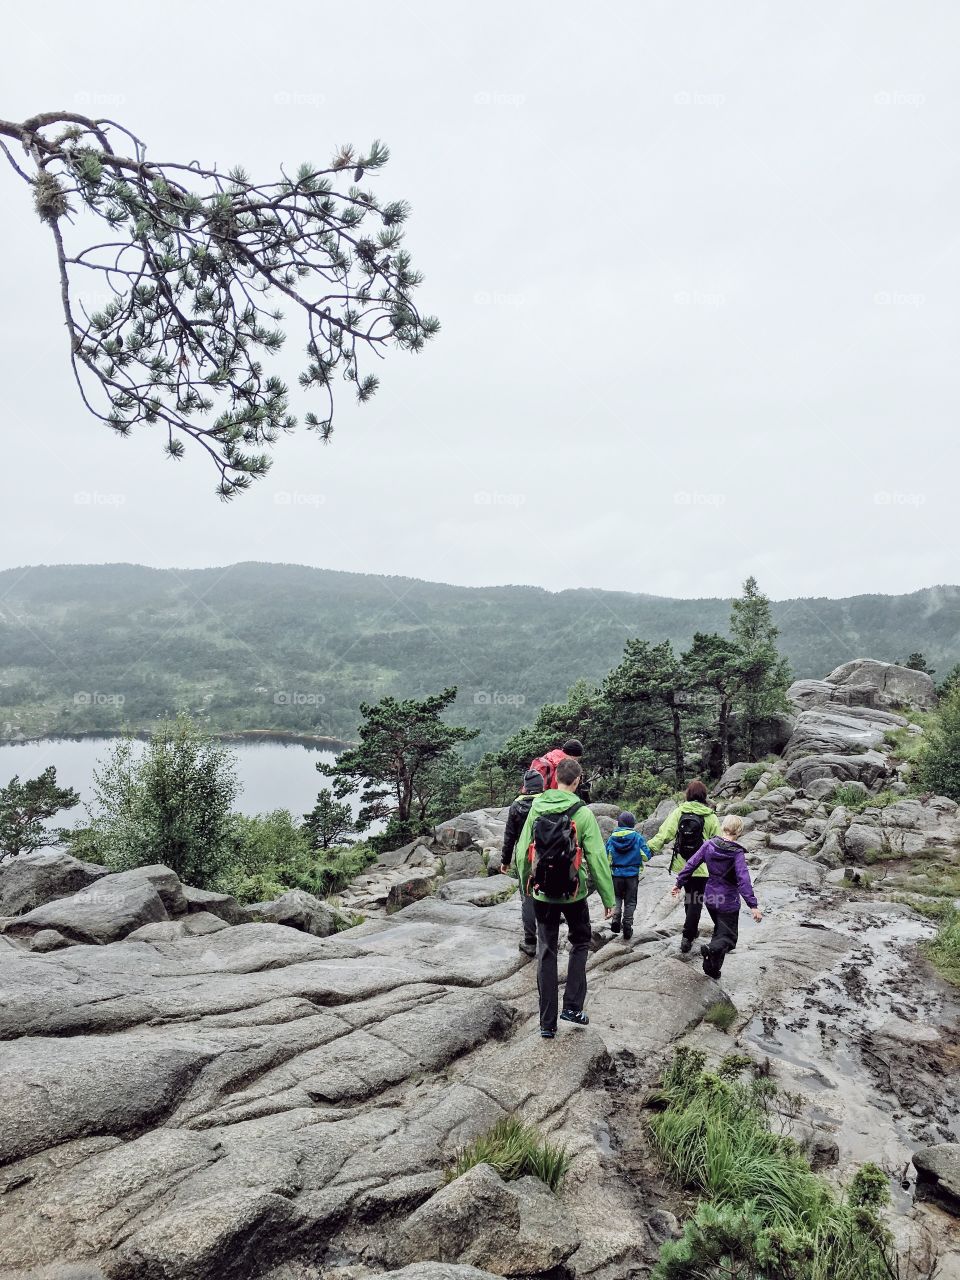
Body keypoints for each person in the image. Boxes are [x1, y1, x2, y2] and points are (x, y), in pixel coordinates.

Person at [513, 757, 614, 1038]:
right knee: (580, 942)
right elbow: (596, 858)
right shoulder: (582, 814)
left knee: (546, 951)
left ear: (555, 778)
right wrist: (608, 898)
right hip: (574, 894)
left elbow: (523, 852)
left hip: (542, 894)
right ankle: (571, 1006)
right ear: (578, 781)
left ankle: (547, 1024)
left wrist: (526, 885)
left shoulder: (536, 807)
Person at [671, 813, 762, 978]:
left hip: (711, 898)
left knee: (720, 933)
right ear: (739, 831)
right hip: (728, 902)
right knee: (729, 938)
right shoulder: (737, 853)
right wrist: (753, 905)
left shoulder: (709, 845)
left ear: (723, 827)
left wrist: (679, 883)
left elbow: (691, 863)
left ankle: (711, 969)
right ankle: (711, 949)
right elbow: (743, 880)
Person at [647, 780, 721, 953]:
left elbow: (665, 834)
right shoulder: (710, 816)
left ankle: (690, 931)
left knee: (690, 896)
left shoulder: (679, 812)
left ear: (688, 794)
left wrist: (648, 849)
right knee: (695, 900)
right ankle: (688, 936)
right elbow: (717, 842)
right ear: (704, 796)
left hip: (683, 864)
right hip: (702, 867)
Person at [497, 768, 545, 955]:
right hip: (546, 854)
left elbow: (509, 836)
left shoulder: (516, 806)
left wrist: (505, 861)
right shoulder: (547, 803)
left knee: (527, 897)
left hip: (524, 857)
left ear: (525, 787)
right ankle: (548, 938)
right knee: (547, 892)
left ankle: (530, 942)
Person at [605, 810, 651, 941]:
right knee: (630, 902)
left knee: (617, 897)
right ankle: (627, 926)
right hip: (632, 876)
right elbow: (646, 856)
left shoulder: (611, 838)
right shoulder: (637, 837)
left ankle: (615, 918)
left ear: (619, 823)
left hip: (616, 874)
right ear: (633, 824)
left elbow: (606, 857)